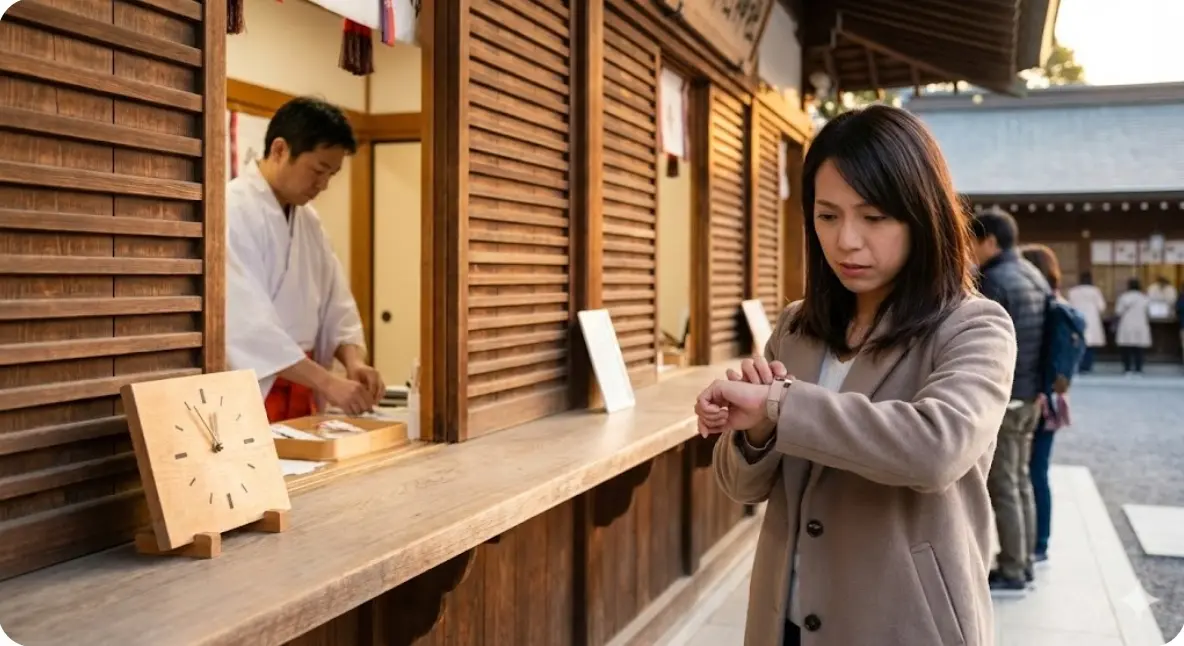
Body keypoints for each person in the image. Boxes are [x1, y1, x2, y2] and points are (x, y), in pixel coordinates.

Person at [697, 105, 1016, 646]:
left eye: (873, 217)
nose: (846, 240)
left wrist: (779, 404)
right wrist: (752, 430)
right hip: (786, 621)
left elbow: (935, 449)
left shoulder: (974, 326)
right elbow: (741, 485)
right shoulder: (799, 325)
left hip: (903, 624)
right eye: (827, 216)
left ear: (923, 215)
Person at [225, 97, 384, 422]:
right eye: (318, 170)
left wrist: (354, 362)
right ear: (280, 150)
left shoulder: (309, 221)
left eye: (331, 174)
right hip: (257, 387)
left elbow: (336, 304)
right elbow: (244, 323)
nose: (323, 185)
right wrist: (326, 381)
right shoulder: (231, 209)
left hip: (305, 388)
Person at [970, 207, 1048, 593]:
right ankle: (1026, 560)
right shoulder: (1033, 274)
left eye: (972, 241)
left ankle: (1014, 568)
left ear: (990, 241)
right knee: (1019, 482)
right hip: (1031, 395)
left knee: (1003, 485)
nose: (969, 250)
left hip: (1007, 396)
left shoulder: (995, 280)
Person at [1019, 244, 1072, 565]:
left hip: (1041, 396)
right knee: (1037, 469)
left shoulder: (1046, 308)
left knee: (1034, 470)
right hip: (1053, 398)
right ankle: (1039, 540)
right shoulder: (1056, 303)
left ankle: (1039, 541)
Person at [1067, 272, 1107, 372]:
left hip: (1077, 318)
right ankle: (1087, 366)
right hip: (1092, 319)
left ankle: (1078, 364)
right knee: (1090, 345)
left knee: (1077, 343)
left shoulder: (1073, 291)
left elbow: (1068, 306)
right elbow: (1101, 307)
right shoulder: (1095, 291)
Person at [1115, 278, 1152, 374]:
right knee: (1139, 348)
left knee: (1126, 348)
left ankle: (1127, 368)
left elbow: (1118, 311)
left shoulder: (1124, 297)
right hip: (1140, 323)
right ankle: (1138, 368)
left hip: (1127, 323)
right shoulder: (1144, 297)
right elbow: (1149, 311)